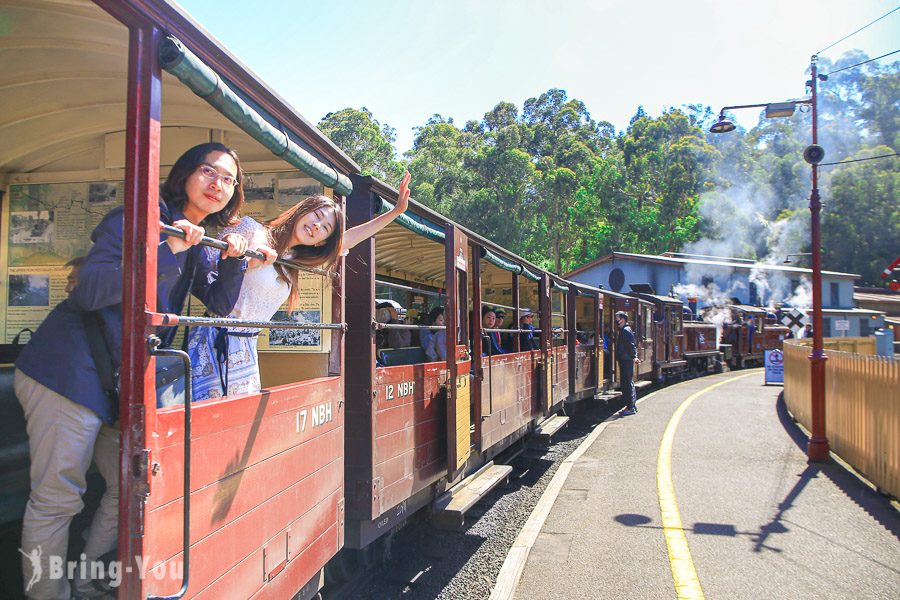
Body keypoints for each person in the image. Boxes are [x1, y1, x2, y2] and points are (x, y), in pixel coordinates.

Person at [14, 142, 250, 599]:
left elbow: (219, 304)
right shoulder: (138, 219)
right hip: (67, 373)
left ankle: (87, 581)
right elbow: (90, 291)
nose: (218, 184)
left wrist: (235, 259)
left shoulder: (200, 241)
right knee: (58, 498)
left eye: (228, 179)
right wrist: (166, 247)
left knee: (131, 489)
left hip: (116, 388)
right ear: (184, 173)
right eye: (209, 171)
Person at [188, 171, 412, 400]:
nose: (317, 226)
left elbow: (348, 239)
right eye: (317, 216)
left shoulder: (292, 261)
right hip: (213, 341)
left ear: (322, 242)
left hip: (245, 351)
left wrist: (395, 212)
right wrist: (246, 261)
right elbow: (208, 272)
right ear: (303, 210)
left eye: (325, 228)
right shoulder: (252, 229)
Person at [615, 311, 640, 416]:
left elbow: (631, 345)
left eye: (617, 319)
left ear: (623, 319)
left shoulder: (625, 330)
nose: (616, 321)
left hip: (626, 359)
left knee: (627, 383)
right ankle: (631, 405)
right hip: (625, 359)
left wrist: (634, 357)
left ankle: (630, 407)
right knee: (626, 382)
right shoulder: (624, 330)